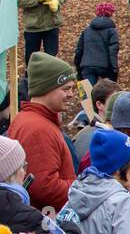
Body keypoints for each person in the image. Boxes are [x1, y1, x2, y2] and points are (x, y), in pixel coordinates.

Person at [9, 53, 78, 212]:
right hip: (45, 223)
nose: (71, 95)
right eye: (66, 89)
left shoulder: (31, 120)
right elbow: (45, 188)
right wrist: (78, 188)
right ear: (46, 88)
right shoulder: (38, 129)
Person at [73, 3, 119, 86]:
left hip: (87, 65)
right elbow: (113, 51)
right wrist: (114, 68)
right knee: (107, 92)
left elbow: (79, 50)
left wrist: (78, 66)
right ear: (110, 14)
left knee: (88, 94)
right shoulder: (112, 30)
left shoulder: (87, 30)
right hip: (105, 66)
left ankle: (89, 98)